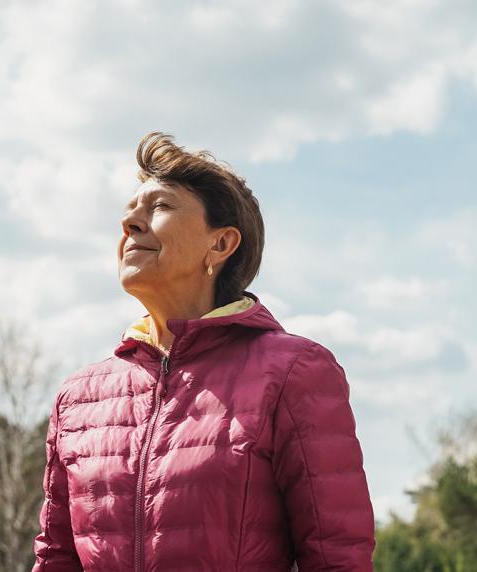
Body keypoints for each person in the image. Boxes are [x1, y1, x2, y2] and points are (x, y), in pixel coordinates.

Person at [31, 132, 375, 571]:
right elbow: (56, 557)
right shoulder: (78, 397)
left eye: (159, 206)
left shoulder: (294, 372)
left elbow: (337, 557)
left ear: (221, 244)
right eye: (129, 213)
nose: (130, 224)